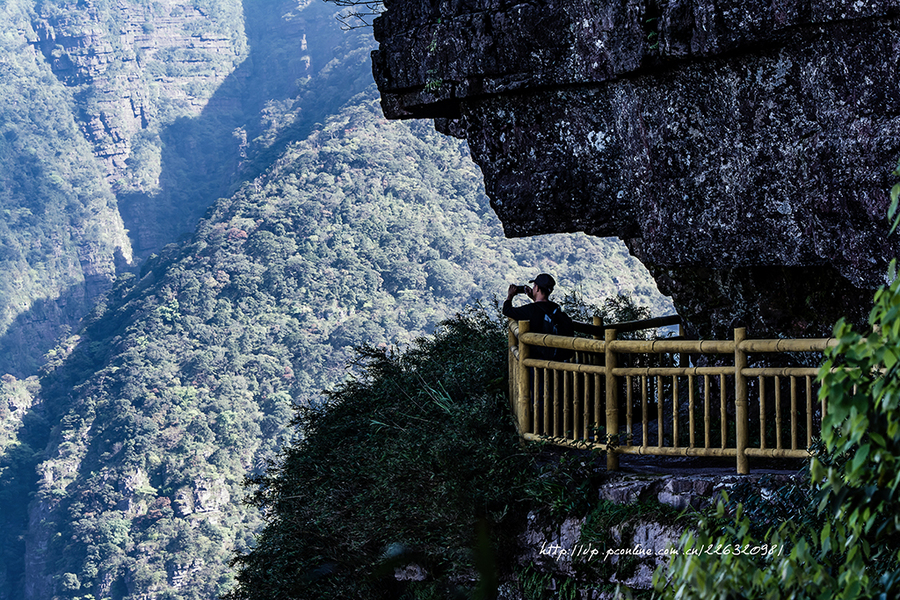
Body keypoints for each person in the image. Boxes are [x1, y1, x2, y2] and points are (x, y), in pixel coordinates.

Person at [503, 273, 573, 361]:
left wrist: (510, 296)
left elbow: (507, 310)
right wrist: (533, 298)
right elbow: (542, 308)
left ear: (537, 288)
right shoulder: (556, 308)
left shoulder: (530, 310)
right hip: (557, 361)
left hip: (537, 363)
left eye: (534, 286)